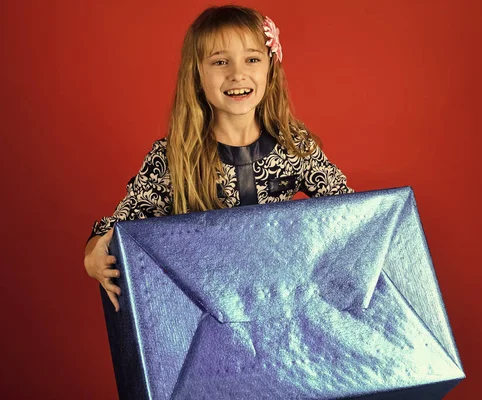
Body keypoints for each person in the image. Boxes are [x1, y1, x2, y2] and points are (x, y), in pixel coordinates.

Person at [84, 5, 353, 312]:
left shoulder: (294, 146)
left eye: (252, 59)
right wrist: (93, 255)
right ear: (197, 75)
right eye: (220, 62)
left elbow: (352, 214)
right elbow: (114, 230)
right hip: (206, 314)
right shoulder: (173, 158)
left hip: (284, 309)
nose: (237, 74)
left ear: (270, 67)